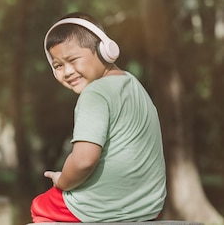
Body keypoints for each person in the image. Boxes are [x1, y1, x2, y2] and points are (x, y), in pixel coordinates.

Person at [30, 12, 167, 223]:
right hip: (148, 206)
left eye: (72, 60)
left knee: (41, 206)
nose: (67, 71)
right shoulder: (132, 83)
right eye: (58, 65)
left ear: (105, 51)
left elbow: (84, 160)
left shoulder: (94, 94)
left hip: (104, 207)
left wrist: (62, 180)